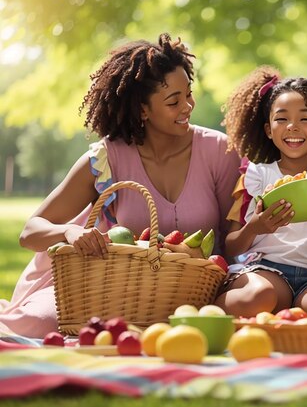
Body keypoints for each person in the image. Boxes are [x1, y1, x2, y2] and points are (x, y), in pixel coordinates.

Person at [0, 33, 240, 338]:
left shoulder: (218, 151)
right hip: (114, 289)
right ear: (142, 109)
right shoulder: (106, 158)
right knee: (43, 324)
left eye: (188, 94)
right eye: (173, 101)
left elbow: (230, 241)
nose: (188, 106)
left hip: (192, 290)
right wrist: (69, 232)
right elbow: (30, 232)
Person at [214, 66, 307, 317]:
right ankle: (206, 314)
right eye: (282, 118)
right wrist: (255, 227)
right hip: (267, 270)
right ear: (268, 129)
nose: (293, 127)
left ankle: (287, 317)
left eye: (305, 119)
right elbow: (231, 245)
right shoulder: (256, 175)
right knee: (260, 296)